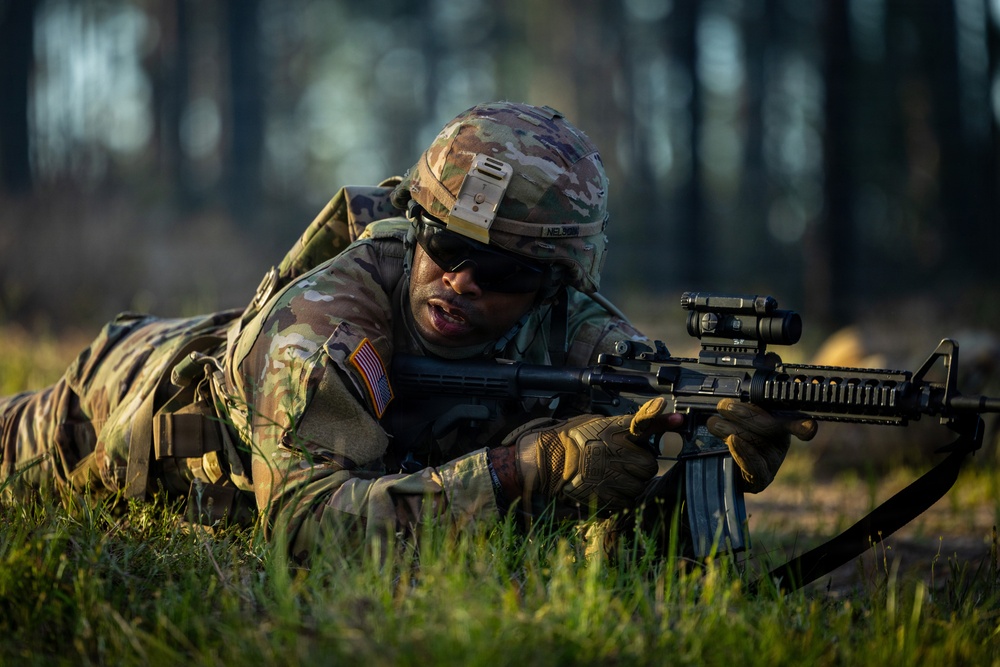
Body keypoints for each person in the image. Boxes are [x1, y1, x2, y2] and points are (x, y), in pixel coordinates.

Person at [0, 102, 816, 561]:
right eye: (448, 247)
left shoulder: (577, 327)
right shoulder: (323, 322)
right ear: (417, 226)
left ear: (554, 285)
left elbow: (642, 422)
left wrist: (698, 448)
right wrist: (528, 469)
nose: (460, 281)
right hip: (104, 413)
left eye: (499, 273)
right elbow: (305, 529)